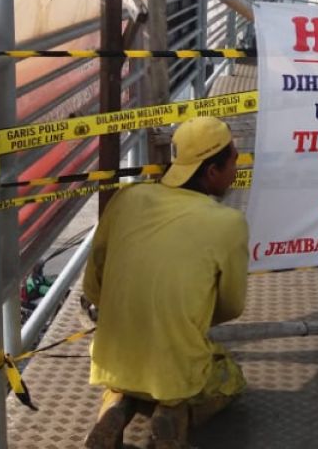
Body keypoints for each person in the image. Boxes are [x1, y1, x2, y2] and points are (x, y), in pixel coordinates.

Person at [84, 116, 249, 449]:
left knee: (132, 374)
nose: (237, 168)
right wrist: (188, 313)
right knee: (230, 379)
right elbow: (231, 307)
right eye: (234, 161)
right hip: (174, 367)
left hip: (110, 358)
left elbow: (93, 284)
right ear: (212, 171)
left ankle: (116, 404)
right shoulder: (228, 223)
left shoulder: (129, 197)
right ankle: (174, 414)